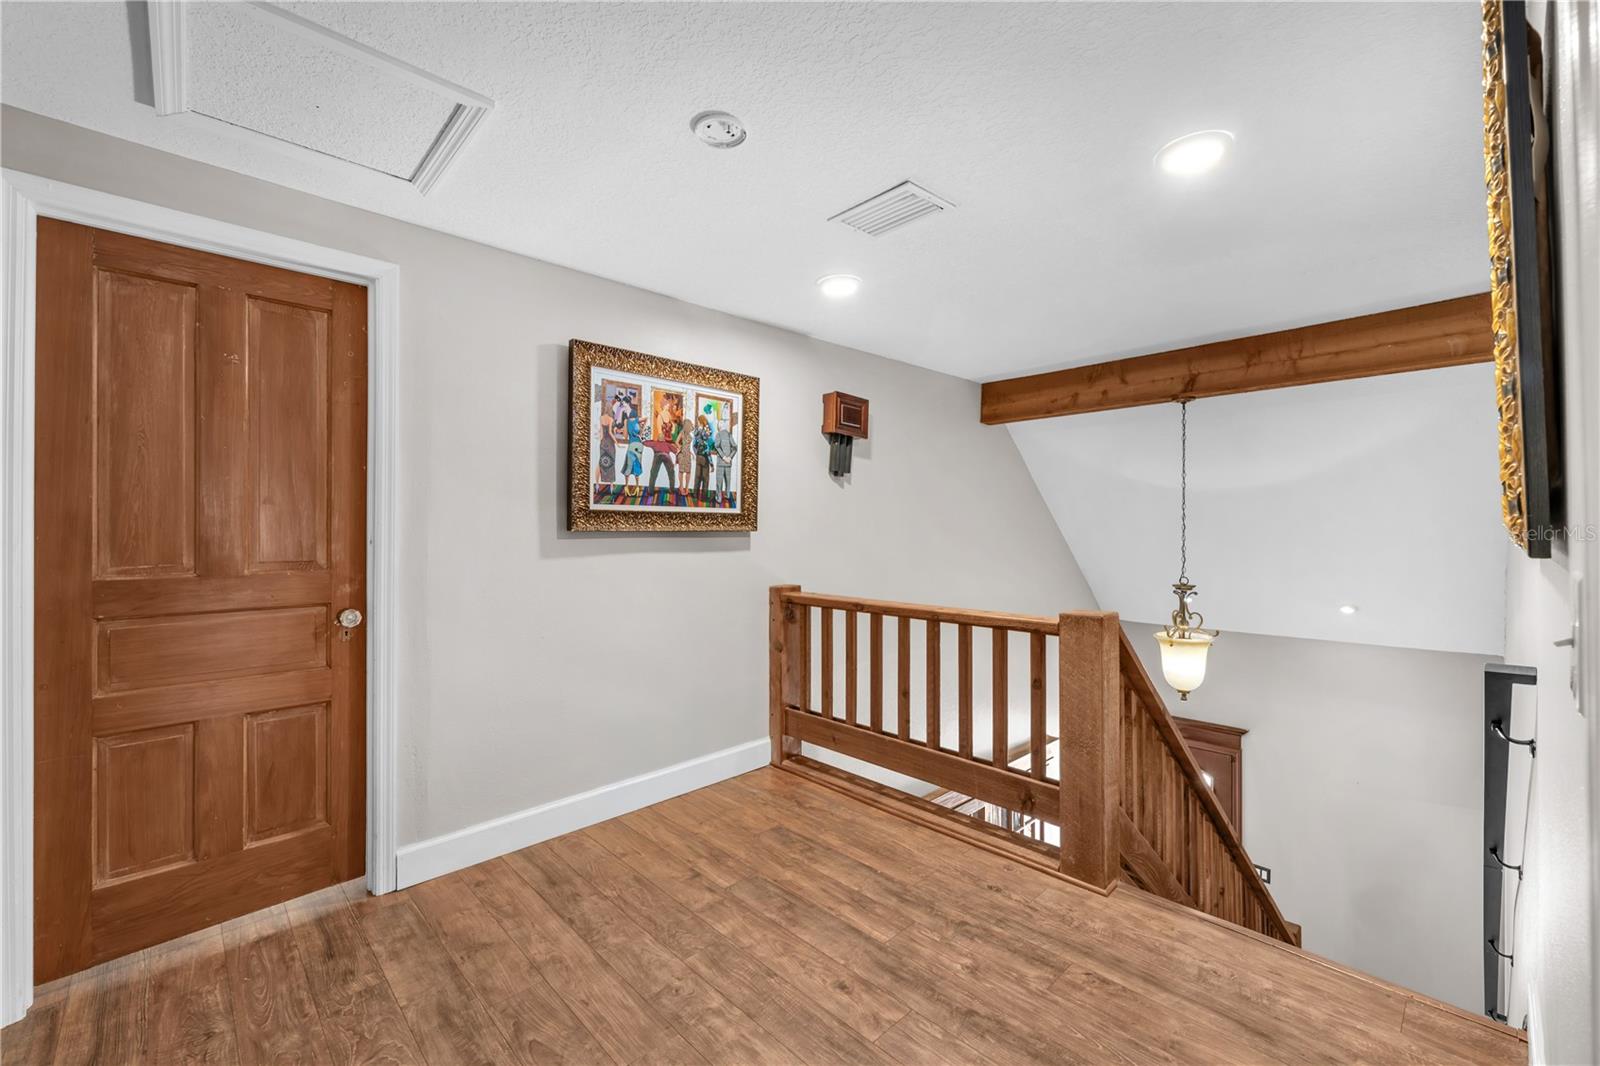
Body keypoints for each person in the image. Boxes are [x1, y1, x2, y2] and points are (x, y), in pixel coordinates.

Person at [714, 418, 738, 496]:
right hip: (728, 463)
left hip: (721, 463)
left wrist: (724, 457)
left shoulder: (718, 434)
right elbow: (735, 447)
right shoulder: (729, 434)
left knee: (719, 481)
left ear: (719, 426)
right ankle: (727, 495)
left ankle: (719, 497)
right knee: (728, 480)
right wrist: (730, 457)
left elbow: (717, 447)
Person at [692, 414, 713, 496]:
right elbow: (706, 441)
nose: (698, 422)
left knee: (698, 476)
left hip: (699, 455)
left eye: (698, 421)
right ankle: (702, 495)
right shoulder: (705, 430)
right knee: (705, 478)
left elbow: (695, 444)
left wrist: (696, 452)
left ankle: (695, 494)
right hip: (704, 456)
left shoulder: (699, 430)